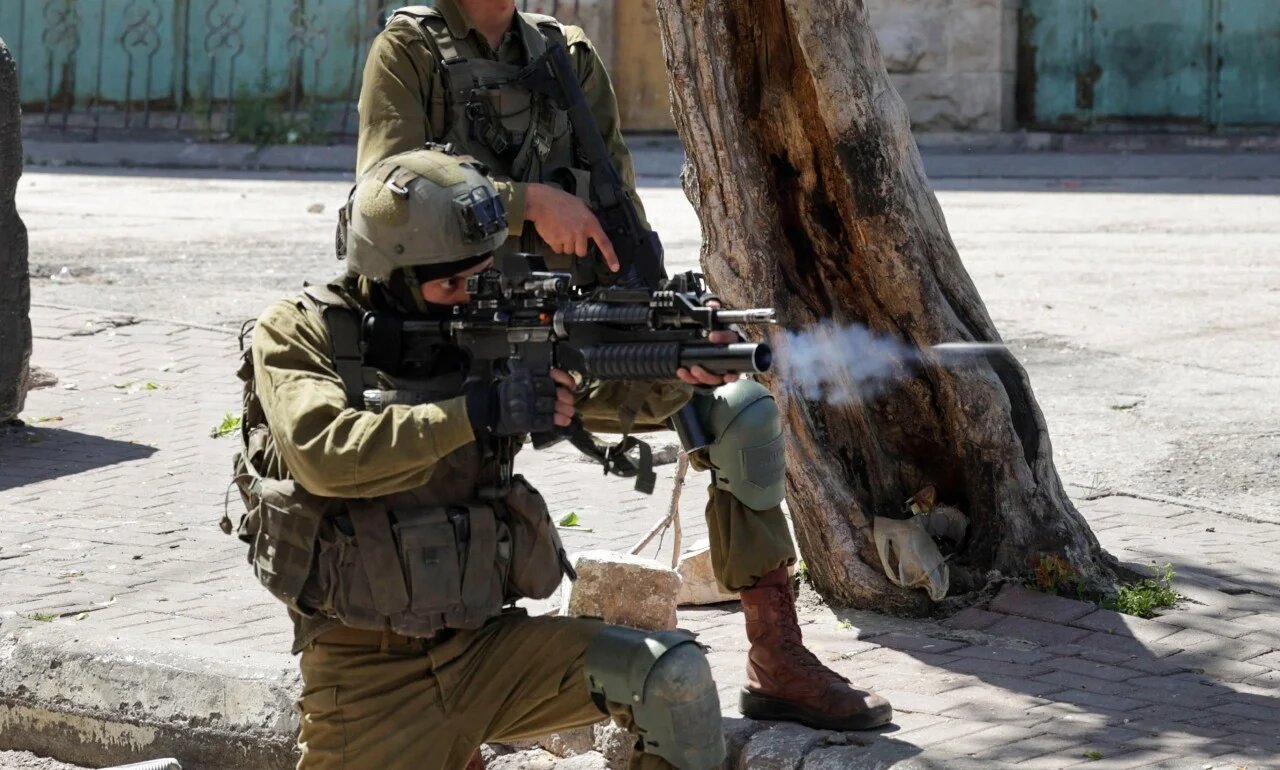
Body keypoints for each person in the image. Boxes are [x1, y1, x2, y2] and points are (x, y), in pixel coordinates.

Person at [354, 0, 891, 731]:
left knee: (738, 409)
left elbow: (613, 202)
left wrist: (656, 326)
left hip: (571, 330)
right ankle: (447, 692)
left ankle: (777, 657)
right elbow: (383, 195)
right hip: (454, 334)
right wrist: (524, 203)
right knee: (440, 469)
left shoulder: (564, 53)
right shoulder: (408, 48)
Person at [229, 149, 726, 769]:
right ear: (390, 274)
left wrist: (679, 370)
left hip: (492, 651)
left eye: (482, 274)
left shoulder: (487, 324)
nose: (471, 298)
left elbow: (598, 398)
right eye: (449, 286)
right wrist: (478, 412)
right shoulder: (302, 333)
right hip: (368, 678)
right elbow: (325, 452)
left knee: (671, 677)